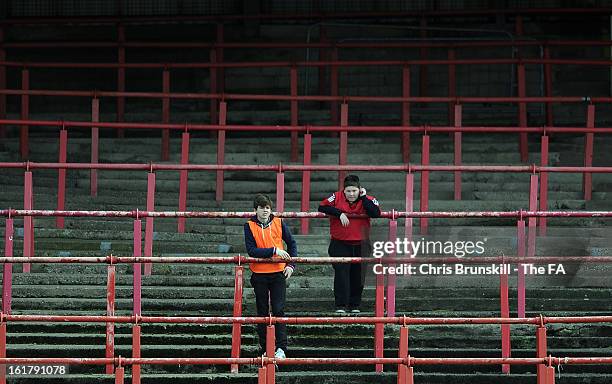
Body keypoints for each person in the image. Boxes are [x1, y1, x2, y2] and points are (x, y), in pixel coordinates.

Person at [244, 193, 297, 359]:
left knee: (279, 310)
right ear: (255, 210)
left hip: (278, 272)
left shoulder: (279, 222)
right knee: (262, 312)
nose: (265, 211)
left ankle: (281, 348)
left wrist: (291, 265)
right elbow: (251, 250)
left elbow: (292, 243)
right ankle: (265, 348)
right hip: (259, 273)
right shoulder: (249, 225)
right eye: (261, 208)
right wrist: (274, 250)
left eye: (267, 208)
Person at [318, 174, 381, 314]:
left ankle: (354, 305)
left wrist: (363, 198)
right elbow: (321, 207)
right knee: (341, 275)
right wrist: (339, 213)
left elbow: (376, 213)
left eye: (354, 191)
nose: (351, 194)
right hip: (339, 243)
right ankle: (340, 305)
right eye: (348, 191)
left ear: (360, 190)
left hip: (361, 244)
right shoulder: (335, 197)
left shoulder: (369, 199)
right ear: (344, 191)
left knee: (358, 276)